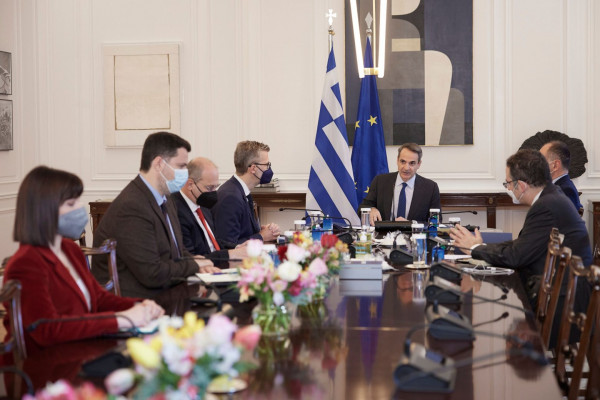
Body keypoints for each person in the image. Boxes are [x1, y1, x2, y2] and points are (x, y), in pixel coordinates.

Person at [3, 166, 164, 354]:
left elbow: (98, 298)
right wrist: (122, 319)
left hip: (79, 349)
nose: (80, 209)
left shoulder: (70, 249)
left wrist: (139, 305)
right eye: (71, 204)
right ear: (44, 211)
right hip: (45, 363)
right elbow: (47, 330)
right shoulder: (25, 264)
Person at [449, 149, 592, 347]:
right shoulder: (551, 198)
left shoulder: (546, 206)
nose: (508, 188)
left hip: (560, 306)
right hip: (560, 294)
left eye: (508, 183)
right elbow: (522, 244)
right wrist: (479, 247)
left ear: (521, 185)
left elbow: (517, 256)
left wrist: (476, 248)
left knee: (493, 325)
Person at [92, 132, 220, 298]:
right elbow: (152, 273)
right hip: (136, 300)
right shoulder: (132, 206)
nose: (185, 173)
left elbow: (177, 249)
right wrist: (195, 265)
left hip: (167, 291)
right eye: (181, 166)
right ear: (159, 164)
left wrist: (198, 263)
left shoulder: (166, 198)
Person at [171, 157, 248, 265]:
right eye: (209, 187)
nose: (213, 192)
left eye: (216, 187)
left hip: (217, 266)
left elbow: (212, 241)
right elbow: (192, 259)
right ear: (190, 184)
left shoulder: (202, 204)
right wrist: (230, 254)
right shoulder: (176, 211)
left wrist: (236, 247)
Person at [212, 141, 280, 244]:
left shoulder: (240, 191)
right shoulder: (230, 197)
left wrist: (262, 231)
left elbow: (243, 233)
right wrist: (261, 236)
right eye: (267, 164)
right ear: (253, 168)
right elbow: (228, 244)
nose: (268, 169)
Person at [359, 143, 441, 225]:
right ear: (397, 160)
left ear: (418, 164)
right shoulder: (380, 181)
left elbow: (436, 222)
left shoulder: (430, 188)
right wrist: (371, 209)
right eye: (403, 162)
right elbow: (362, 207)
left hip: (414, 232)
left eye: (412, 163)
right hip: (384, 232)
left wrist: (411, 224)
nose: (406, 168)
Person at [539, 140, 583, 212]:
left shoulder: (566, 190)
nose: (538, 164)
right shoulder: (557, 186)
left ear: (555, 165)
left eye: (541, 160)